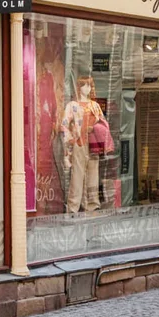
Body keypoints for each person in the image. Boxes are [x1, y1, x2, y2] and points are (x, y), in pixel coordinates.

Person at [61, 75, 103, 213]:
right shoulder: (72, 105)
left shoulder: (95, 106)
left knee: (93, 175)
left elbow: (102, 123)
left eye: (90, 85)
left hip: (94, 144)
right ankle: (73, 208)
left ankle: (92, 205)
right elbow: (64, 125)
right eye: (85, 85)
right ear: (78, 87)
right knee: (77, 176)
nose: (88, 88)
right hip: (80, 144)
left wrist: (96, 129)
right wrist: (72, 139)